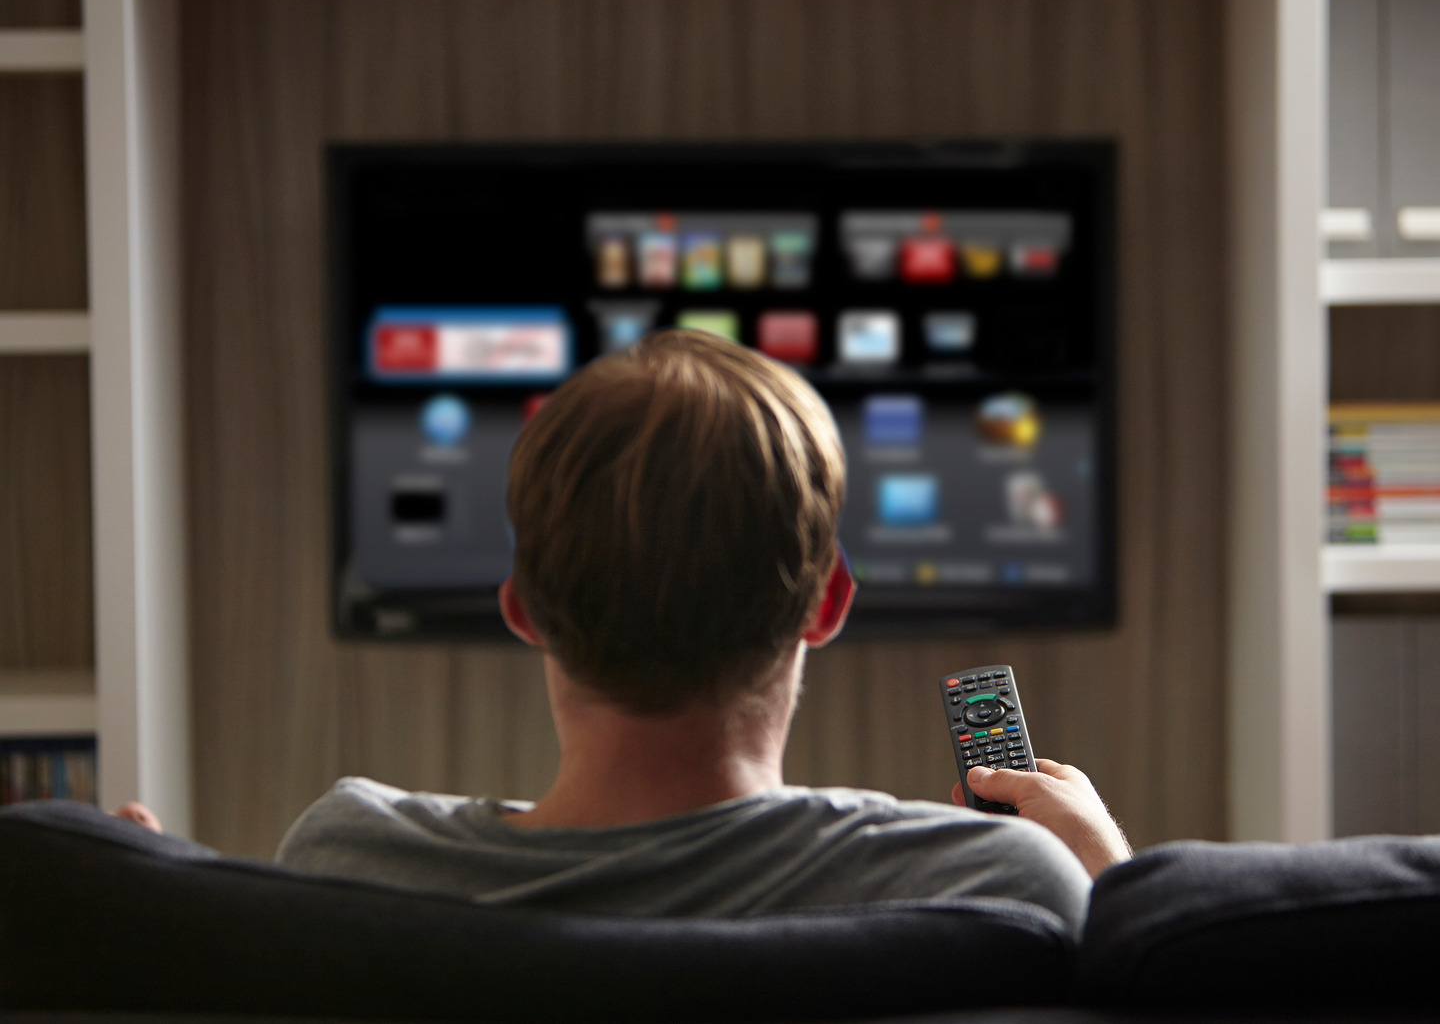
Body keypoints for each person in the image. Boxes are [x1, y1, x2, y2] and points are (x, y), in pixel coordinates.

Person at [124, 329, 1130, 924]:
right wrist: (1116, 885)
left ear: (519, 606)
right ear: (827, 601)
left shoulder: (346, 861)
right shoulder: (993, 882)